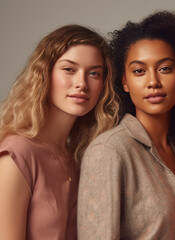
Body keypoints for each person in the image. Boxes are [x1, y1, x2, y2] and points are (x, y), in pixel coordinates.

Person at [77, 11, 175, 239]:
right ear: (125, 82)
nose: (153, 82)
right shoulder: (109, 150)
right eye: (139, 71)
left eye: (165, 68)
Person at [0, 24, 118, 240]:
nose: (81, 83)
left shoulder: (77, 158)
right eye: (69, 69)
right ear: (45, 74)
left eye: (94, 73)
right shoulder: (17, 154)